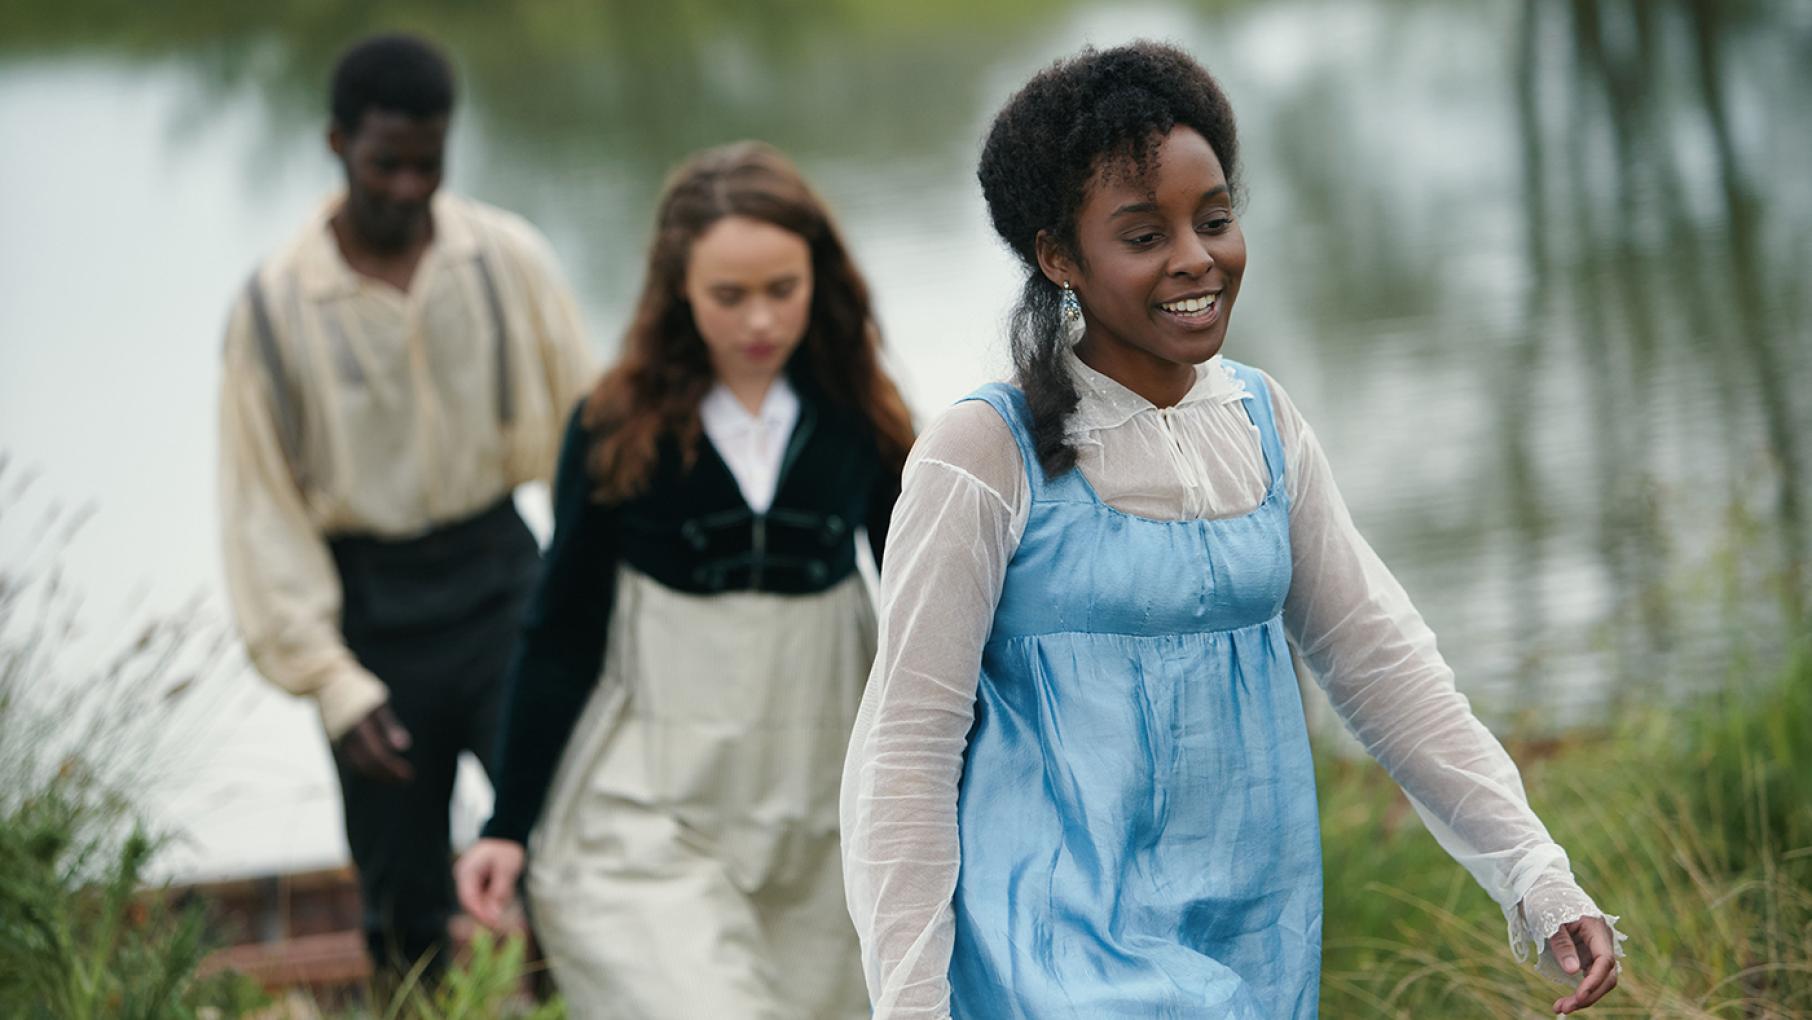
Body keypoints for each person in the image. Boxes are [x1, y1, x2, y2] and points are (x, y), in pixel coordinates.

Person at [840, 42, 1626, 1019]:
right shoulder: (981, 454)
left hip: (1254, 941)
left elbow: (1382, 664)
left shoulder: (1262, 423)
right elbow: (907, 751)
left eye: (1214, 220)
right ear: (1058, 257)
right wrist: (910, 1002)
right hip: (1051, 952)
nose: (1195, 258)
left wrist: (1532, 872)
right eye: (1143, 234)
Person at [453, 141, 913, 1019]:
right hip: (657, 801)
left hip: (824, 808)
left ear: (820, 278)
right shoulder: (617, 425)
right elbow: (561, 630)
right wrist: (507, 822)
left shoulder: (864, 419)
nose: (759, 322)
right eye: (728, 296)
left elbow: (931, 613)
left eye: (783, 289)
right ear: (678, 291)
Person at [217, 33, 592, 986]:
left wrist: (595, 603)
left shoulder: (509, 260)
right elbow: (262, 515)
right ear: (338, 143)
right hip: (370, 612)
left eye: (431, 163)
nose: (410, 186)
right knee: (401, 896)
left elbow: (588, 450)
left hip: (505, 578)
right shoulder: (271, 310)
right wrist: (335, 684)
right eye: (387, 163)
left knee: (569, 852)